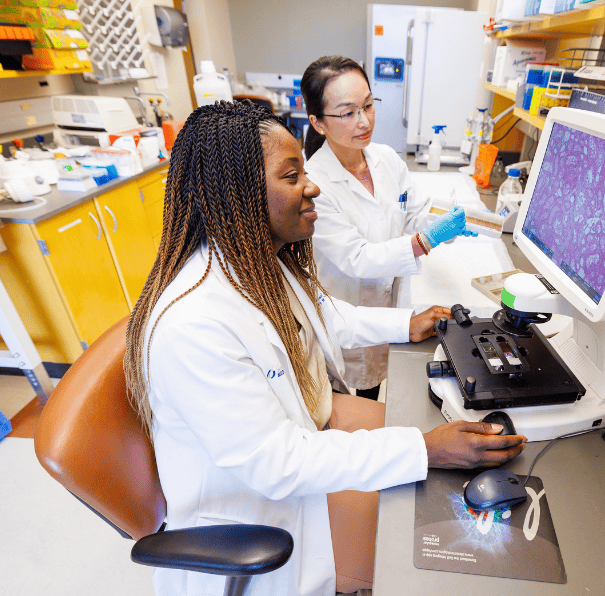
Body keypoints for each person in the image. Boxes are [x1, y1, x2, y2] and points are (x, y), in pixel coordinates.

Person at [124, 101, 525, 596]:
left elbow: (325, 317)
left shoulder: (256, 261)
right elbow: (277, 463)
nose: (312, 187)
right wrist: (422, 448)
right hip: (265, 519)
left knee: (435, 451)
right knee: (441, 556)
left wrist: (410, 322)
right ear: (234, 196)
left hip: (306, 442)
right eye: (292, 176)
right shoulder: (194, 325)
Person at [302, 55, 476, 401]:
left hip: (387, 304)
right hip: (344, 307)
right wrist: (425, 241)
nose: (364, 121)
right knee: (342, 393)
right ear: (318, 123)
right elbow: (358, 258)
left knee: (377, 381)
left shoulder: (387, 159)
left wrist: (443, 223)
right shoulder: (315, 183)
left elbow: (413, 215)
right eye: (348, 113)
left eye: (368, 106)